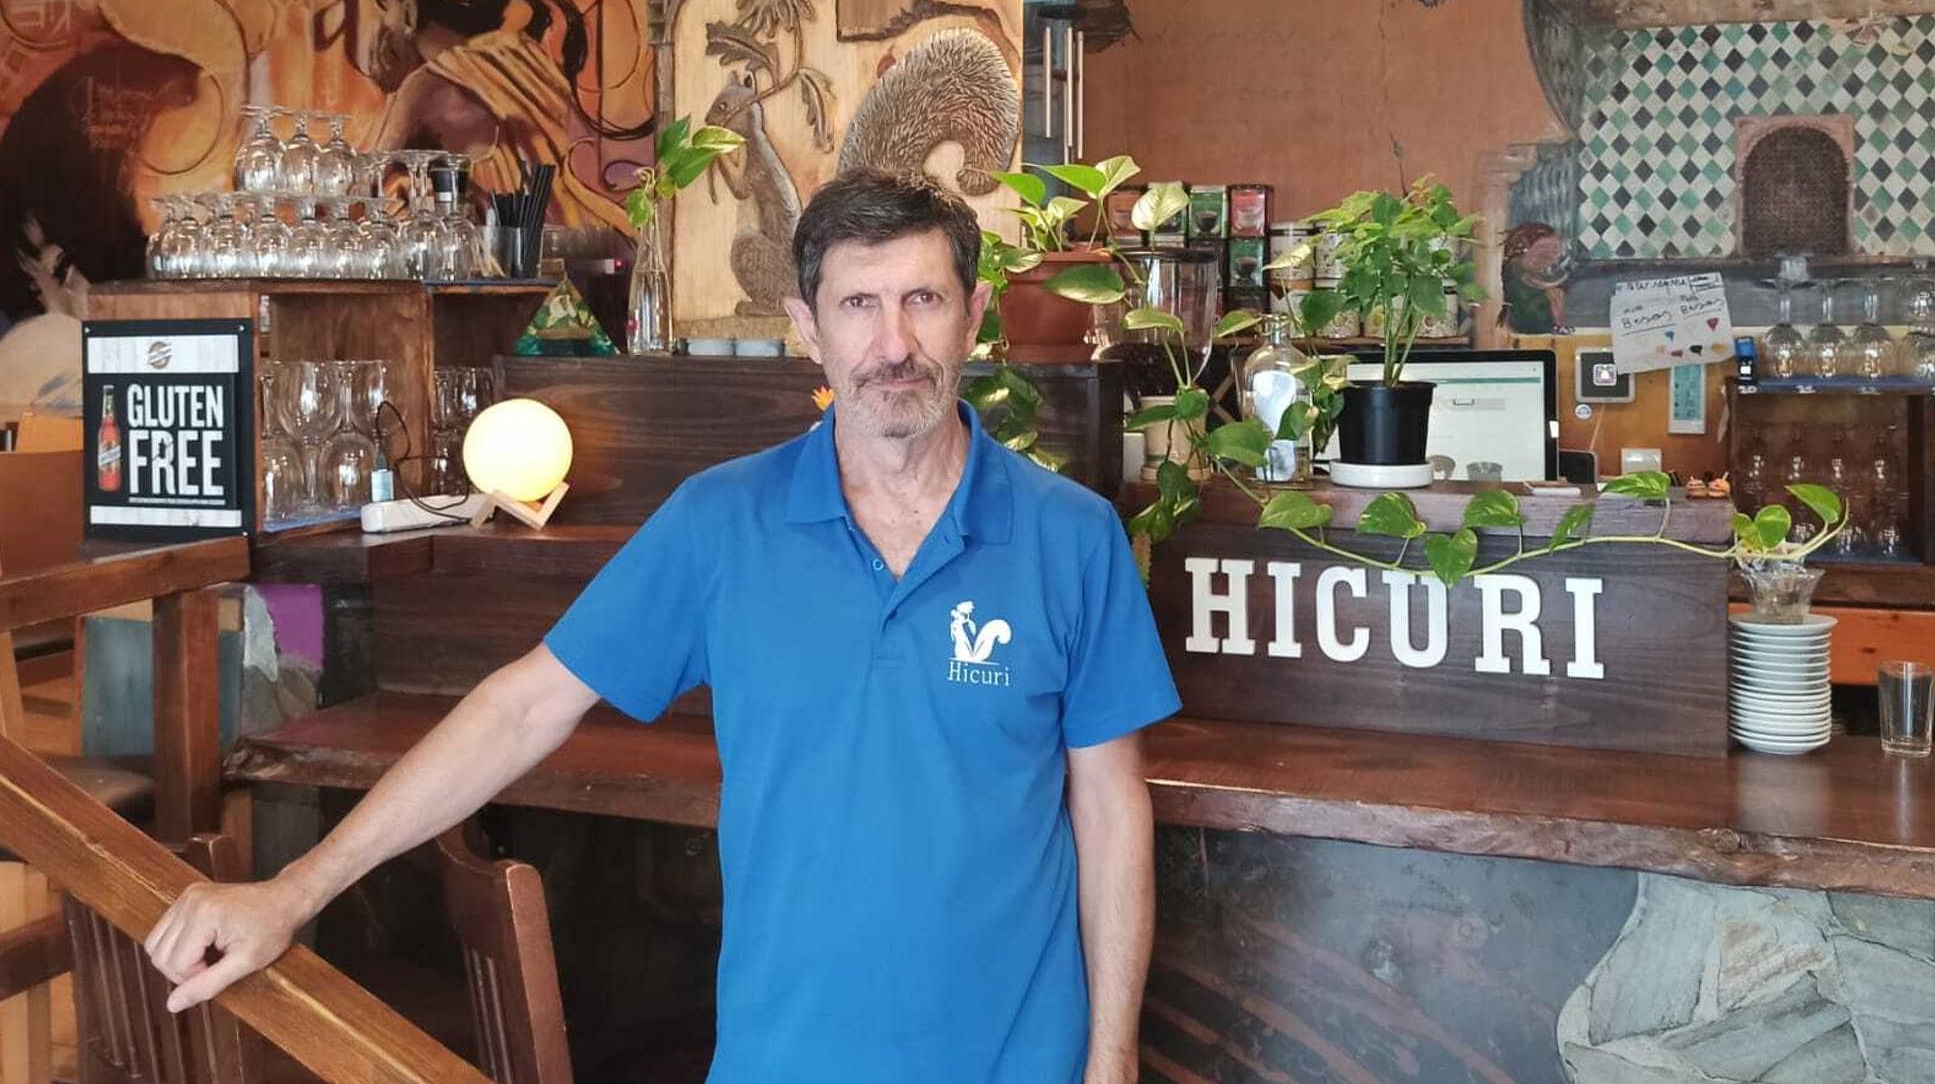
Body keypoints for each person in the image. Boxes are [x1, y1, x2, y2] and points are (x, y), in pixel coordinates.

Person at [143, 170, 1181, 1084]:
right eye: (858, 304)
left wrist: (1111, 1060)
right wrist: (293, 888)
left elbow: (1109, 805)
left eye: (923, 299)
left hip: (1022, 1061)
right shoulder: (721, 521)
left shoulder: (1069, 537)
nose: (894, 342)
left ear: (975, 316)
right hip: (785, 1059)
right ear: (807, 326)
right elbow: (522, 708)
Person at [363, 0, 641, 237]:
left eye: (387, 9)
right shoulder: (526, 58)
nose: (383, 23)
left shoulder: (428, 88)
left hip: (513, 269)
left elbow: (359, 198)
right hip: (583, 252)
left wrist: (393, 91)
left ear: (409, 13)